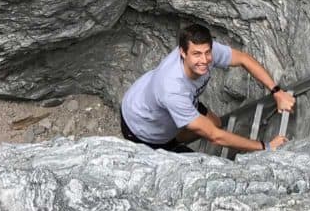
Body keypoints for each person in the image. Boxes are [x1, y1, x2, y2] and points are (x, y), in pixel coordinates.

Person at [120, 24, 296, 154]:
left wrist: (277, 92)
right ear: (182, 52)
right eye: (196, 54)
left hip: (164, 99)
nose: (204, 60)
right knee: (190, 159)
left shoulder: (205, 51)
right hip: (142, 125)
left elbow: (243, 59)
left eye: (207, 52)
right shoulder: (172, 90)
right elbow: (215, 136)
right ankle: (171, 143)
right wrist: (266, 146)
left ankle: (177, 134)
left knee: (215, 122)